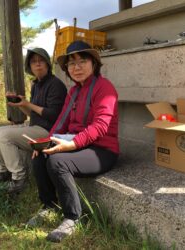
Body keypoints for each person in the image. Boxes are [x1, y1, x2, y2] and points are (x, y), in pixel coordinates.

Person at [29, 41, 119, 242]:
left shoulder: (105, 88)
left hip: (102, 150)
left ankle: (72, 217)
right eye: (71, 64)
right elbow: (61, 121)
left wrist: (73, 144)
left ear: (94, 63)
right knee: (40, 154)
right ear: (67, 69)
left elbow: (101, 126)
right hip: (79, 143)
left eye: (82, 61)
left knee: (57, 161)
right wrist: (44, 142)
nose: (76, 67)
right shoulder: (74, 91)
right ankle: (49, 205)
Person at [0, 48, 67, 194]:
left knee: (5, 136)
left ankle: (18, 179)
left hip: (49, 131)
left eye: (41, 61)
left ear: (48, 64)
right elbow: (33, 114)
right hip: (36, 126)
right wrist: (22, 105)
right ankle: (3, 172)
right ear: (30, 67)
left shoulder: (56, 85)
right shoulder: (36, 85)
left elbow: (54, 115)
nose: (38, 64)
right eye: (34, 62)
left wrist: (28, 104)